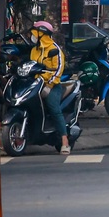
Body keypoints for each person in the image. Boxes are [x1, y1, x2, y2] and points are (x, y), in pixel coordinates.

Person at [28, 20, 70, 154]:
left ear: (42, 34)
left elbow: (58, 70)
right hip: (35, 85)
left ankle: (64, 141)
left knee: (54, 108)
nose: (32, 36)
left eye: (35, 33)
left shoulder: (54, 50)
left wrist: (49, 84)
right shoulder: (34, 50)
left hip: (52, 85)